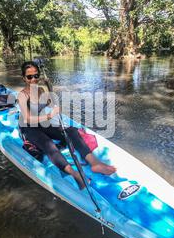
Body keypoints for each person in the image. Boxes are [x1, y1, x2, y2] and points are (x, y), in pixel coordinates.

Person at [17, 61, 116, 190]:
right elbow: (29, 119)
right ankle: (75, 174)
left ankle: (94, 163)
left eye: (36, 76)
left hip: (42, 123)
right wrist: (49, 116)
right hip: (29, 128)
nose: (33, 79)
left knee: (71, 131)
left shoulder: (40, 90)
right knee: (49, 145)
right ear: (24, 78)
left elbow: (49, 103)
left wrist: (49, 88)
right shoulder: (22, 95)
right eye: (29, 77)